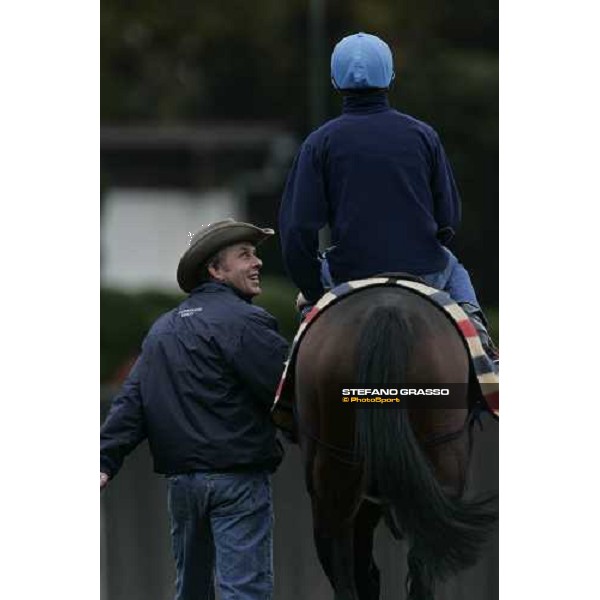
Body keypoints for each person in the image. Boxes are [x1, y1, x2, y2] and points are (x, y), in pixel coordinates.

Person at [279, 32, 498, 362]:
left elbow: (297, 232)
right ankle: (484, 359)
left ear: (335, 82)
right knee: (455, 269)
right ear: (391, 77)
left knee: (306, 350)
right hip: (425, 268)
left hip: (347, 272)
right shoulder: (424, 135)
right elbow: (449, 219)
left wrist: (312, 291)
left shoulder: (318, 143)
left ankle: (291, 388)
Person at [100, 219, 290, 600]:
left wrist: (104, 460)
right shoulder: (248, 322)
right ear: (215, 270)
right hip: (238, 483)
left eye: (254, 254)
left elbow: (132, 401)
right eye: (244, 255)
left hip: (184, 487)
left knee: (191, 592)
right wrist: (372, 401)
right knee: (245, 592)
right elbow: (290, 393)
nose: (257, 263)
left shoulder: (162, 330)